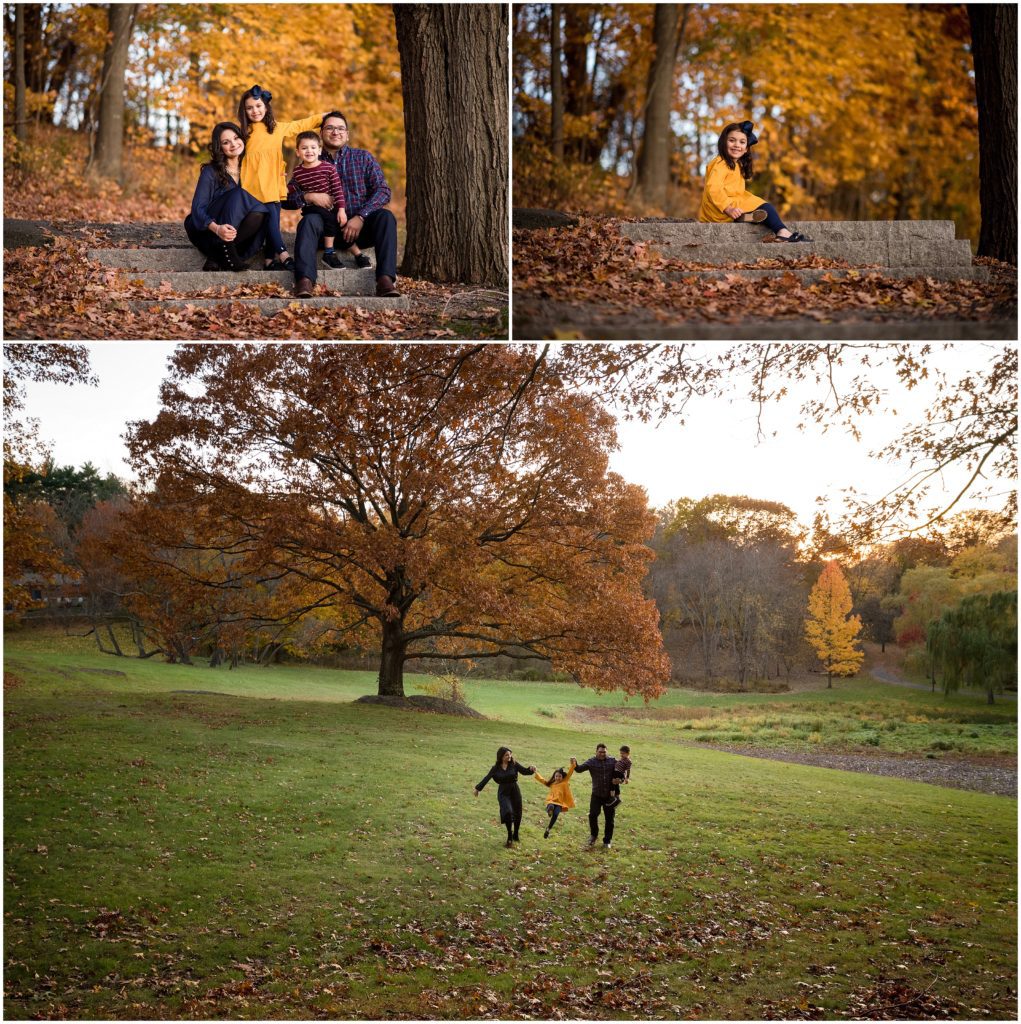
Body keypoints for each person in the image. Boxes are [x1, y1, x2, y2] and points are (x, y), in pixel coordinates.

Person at [290, 110, 400, 298]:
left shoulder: (363, 158)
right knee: (308, 222)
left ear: (347, 135)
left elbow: (383, 191)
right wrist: (308, 196)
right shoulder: (309, 159)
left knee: (386, 217)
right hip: (325, 231)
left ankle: (385, 280)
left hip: (359, 229)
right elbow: (288, 200)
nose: (335, 132)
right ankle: (305, 281)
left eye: (341, 128)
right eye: (330, 128)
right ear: (321, 133)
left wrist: (361, 216)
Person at [236, 84, 328, 270]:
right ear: (244, 111)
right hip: (253, 184)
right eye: (250, 107)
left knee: (273, 218)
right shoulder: (243, 133)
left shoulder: (276, 128)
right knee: (269, 217)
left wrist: (323, 118)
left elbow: (300, 125)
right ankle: (283, 254)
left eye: (259, 106)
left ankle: (269, 260)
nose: (255, 111)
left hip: (272, 181)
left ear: (266, 107)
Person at [698, 120, 812, 243]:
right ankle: (782, 232)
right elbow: (713, 188)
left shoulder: (735, 165)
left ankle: (745, 217)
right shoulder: (721, 162)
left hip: (728, 206)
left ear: (746, 148)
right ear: (723, 142)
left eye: (742, 142)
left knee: (759, 208)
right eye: (732, 140)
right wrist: (728, 208)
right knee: (766, 207)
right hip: (719, 209)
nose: (737, 145)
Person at [184, 122, 268, 271]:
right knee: (239, 193)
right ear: (219, 147)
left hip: (237, 235)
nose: (233, 144)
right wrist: (217, 229)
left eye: (236, 138)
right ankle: (225, 249)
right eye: (226, 142)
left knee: (260, 211)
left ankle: (217, 254)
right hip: (207, 230)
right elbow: (198, 208)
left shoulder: (251, 170)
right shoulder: (211, 171)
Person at [287, 132, 348, 271]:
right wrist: (282, 184)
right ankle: (329, 252)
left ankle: (357, 254)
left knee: (339, 223)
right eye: (304, 148)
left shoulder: (328, 168)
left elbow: (338, 190)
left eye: (313, 147)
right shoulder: (297, 172)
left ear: (319, 150)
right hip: (311, 208)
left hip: (330, 206)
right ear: (297, 152)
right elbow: (292, 190)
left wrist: (341, 209)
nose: (309, 151)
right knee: (330, 219)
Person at [474, 746, 536, 847]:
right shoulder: (495, 768)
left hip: (515, 790)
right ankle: (509, 836)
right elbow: (487, 778)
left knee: (517, 813)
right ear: (501, 757)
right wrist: (478, 789)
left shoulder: (514, 764)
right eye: (507, 755)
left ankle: (516, 833)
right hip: (503, 793)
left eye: (510, 754)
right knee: (507, 812)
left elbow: (525, 771)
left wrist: (531, 769)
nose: (509, 756)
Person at [572, 743, 618, 849]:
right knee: (593, 815)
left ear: (607, 752)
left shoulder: (613, 761)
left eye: (604, 752)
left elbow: (622, 770)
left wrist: (621, 779)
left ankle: (607, 841)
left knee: (609, 819)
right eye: (600, 752)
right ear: (596, 752)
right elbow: (579, 769)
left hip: (610, 795)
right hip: (596, 795)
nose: (602, 754)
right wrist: (574, 763)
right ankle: (593, 835)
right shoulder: (591, 762)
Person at [533, 763, 575, 839]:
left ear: (562, 777)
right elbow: (543, 781)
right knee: (551, 806)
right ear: (554, 776)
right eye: (556, 776)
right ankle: (549, 810)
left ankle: (548, 829)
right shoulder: (552, 784)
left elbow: (570, 773)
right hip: (551, 801)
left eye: (559, 776)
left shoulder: (564, 782)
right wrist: (536, 772)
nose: (558, 778)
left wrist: (573, 763)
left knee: (555, 814)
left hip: (559, 803)